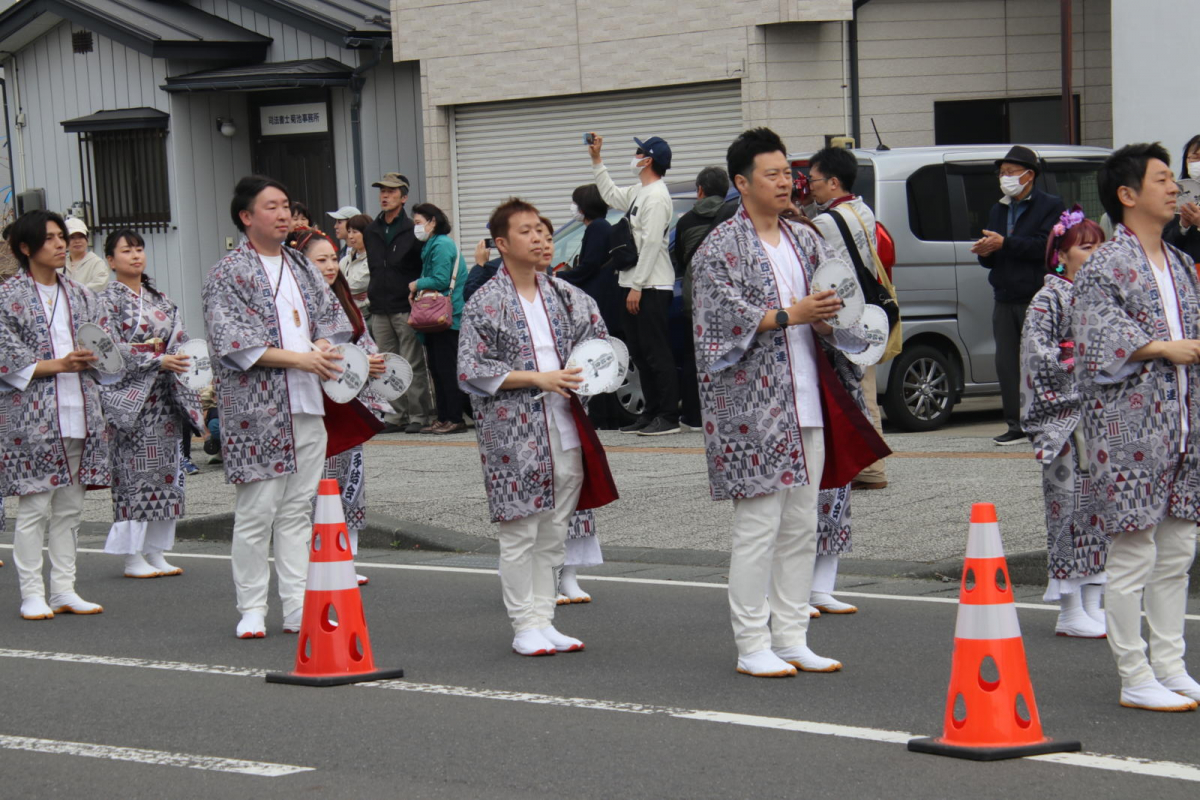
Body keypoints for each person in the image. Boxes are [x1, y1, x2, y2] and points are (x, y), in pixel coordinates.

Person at [692, 128, 876, 678]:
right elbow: (714, 326)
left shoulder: (806, 239)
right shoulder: (719, 248)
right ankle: (752, 644)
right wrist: (787, 315)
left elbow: (832, 304)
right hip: (750, 408)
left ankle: (792, 635)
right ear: (742, 183)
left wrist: (835, 318)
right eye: (771, 174)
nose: (785, 182)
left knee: (802, 523)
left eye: (787, 172)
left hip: (808, 397)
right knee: (758, 526)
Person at [1073, 142, 1200, 711]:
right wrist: (1164, 348)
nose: (1174, 187)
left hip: (1181, 424)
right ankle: (1134, 672)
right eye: (1162, 179)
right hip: (1128, 430)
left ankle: (1170, 665)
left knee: (1178, 550)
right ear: (1127, 195)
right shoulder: (1105, 264)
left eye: (1174, 179)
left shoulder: (1177, 261)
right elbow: (1097, 342)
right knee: (1133, 553)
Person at [457, 197, 612, 657]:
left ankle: (544, 619)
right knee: (520, 530)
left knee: (555, 529)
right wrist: (536, 378)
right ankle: (524, 624)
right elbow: (470, 370)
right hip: (513, 431)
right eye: (527, 231)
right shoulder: (487, 300)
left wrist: (595, 370)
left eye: (543, 229)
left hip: (565, 423)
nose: (541, 237)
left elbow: (599, 343)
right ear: (501, 244)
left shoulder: (567, 295)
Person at [202, 175, 351, 639]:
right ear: (247, 217)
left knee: (296, 510)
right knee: (256, 511)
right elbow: (233, 343)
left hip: (306, 402)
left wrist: (324, 344)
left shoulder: (301, 265)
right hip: (255, 409)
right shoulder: (228, 272)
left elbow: (330, 317)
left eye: (286, 205)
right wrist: (302, 358)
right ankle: (250, 606)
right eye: (272, 206)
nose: (283, 214)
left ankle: (294, 606)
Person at [0, 210, 122, 619]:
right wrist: (60, 364)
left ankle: (64, 589)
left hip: (82, 411)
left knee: (70, 508)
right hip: (33, 417)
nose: (59, 244)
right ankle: (32, 592)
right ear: (24, 247)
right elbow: (6, 355)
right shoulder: (7, 296)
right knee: (34, 507)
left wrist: (100, 358)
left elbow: (109, 346)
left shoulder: (84, 294)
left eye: (61, 237)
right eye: (50, 238)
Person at [1019, 206, 1109, 639]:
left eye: (1099, 246)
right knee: (1069, 509)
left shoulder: (1102, 295)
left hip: (1099, 417)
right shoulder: (1048, 298)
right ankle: (1069, 608)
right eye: (1086, 247)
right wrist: (1082, 365)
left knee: (1101, 510)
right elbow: (1037, 356)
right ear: (1062, 255)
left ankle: (1093, 601)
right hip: (1065, 417)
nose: (1095, 254)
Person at [97, 229, 205, 579]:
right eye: (126, 251)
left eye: (139, 249)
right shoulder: (106, 301)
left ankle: (156, 551)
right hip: (131, 401)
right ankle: (132, 557)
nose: (135, 256)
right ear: (111, 261)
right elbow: (104, 350)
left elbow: (180, 338)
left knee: (166, 475)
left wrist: (178, 356)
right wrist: (156, 358)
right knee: (133, 476)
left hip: (164, 399)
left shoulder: (160, 298)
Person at [295, 227, 387, 586]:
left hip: (347, 396)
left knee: (349, 476)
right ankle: (313, 554)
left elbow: (362, 341)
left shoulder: (343, 297)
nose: (331, 266)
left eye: (334, 258)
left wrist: (372, 360)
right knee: (314, 481)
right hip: (314, 397)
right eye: (322, 260)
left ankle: (345, 554)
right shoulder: (297, 301)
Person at [972, 145, 1066, 446]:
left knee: (1039, 360)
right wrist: (985, 251)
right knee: (1007, 362)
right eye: (1002, 173)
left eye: (1011, 173)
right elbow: (994, 249)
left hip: (1036, 296)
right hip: (1004, 294)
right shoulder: (998, 208)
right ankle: (1016, 423)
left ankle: (1044, 418)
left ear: (1030, 175)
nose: (1006, 178)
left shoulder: (1051, 205)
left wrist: (1005, 243)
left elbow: (1046, 246)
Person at [588, 132, 680, 436]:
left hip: (651, 286)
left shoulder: (656, 196)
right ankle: (651, 412)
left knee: (656, 352)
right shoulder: (642, 191)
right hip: (634, 284)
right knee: (640, 353)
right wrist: (597, 159)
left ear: (648, 159)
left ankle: (668, 416)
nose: (635, 156)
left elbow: (653, 244)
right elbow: (611, 195)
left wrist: (637, 286)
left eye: (639, 152)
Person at [807, 147, 888, 492]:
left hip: (843, 313)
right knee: (864, 384)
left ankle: (871, 467)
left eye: (813, 180)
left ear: (833, 182)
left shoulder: (826, 222)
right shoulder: (862, 210)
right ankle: (867, 463)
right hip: (866, 309)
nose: (808, 186)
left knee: (856, 389)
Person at [365, 172, 435, 434]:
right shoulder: (371, 229)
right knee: (385, 364)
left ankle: (419, 414)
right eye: (382, 191)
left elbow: (423, 264)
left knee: (413, 362)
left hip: (405, 306)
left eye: (392, 192)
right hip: (379, 306)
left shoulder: (412, 230)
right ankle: (395, 415)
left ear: (404, 197)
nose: (385, 195)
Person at [673, 166, 730, 430]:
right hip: (728, 299)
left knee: (692, 356)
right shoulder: (733, 215)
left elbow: (682, 259)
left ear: (700, 190)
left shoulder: (685, 222)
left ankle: (694, 417)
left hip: (695, 299)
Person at [408, 202, 469, 434]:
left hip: (447, 318)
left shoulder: (441, 244)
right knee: (437, 368)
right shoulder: (433, 244)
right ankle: (444, 417)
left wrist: (416, 284)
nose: (417, 228)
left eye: (418, 223)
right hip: (437, 318)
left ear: (432, 222)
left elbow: (442, 279)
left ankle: (455, 418)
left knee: (446, 369)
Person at [1164, 135, 1200, 264]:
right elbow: (1165, 244)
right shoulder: (1174, 194)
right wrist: (1183, 226)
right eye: (1194, 158)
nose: (1198, 163)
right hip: (1184, 273)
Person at [62, 217, 108, 292]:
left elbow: (98, 286)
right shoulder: (60, 263)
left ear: (87, 239)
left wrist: (72, 293)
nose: (77, 241)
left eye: (81, 237)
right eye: (72, 237)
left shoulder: (97, 263)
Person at [341, 213, 372, 319]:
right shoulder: (345, 259)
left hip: (367, 313)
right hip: (349, 313)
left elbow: (357, 284)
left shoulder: (373, 258)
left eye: (355, 232)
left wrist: (343, 291)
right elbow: (332, 286)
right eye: (349, 231)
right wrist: (350, 294)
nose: (350, 236)